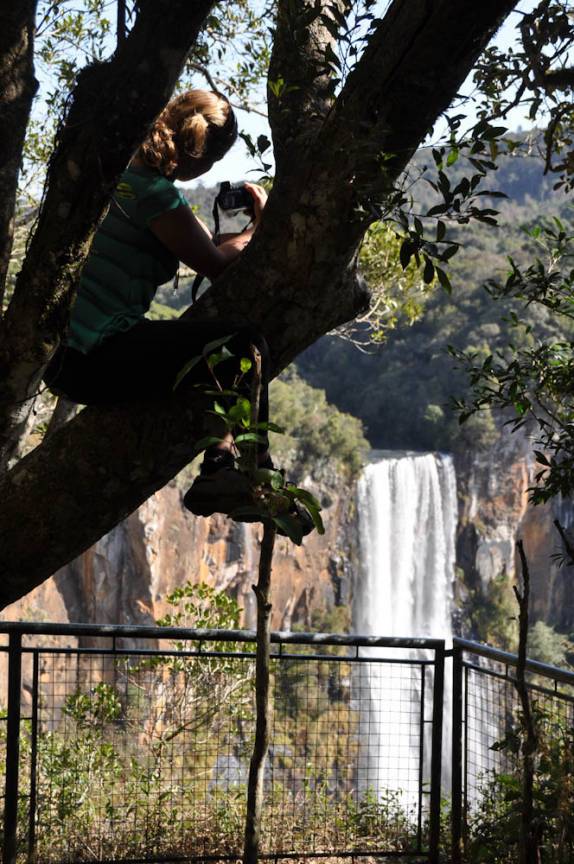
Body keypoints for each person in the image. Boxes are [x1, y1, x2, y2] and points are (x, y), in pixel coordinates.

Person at [44, 89, 292, 524]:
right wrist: (264, 226)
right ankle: (244, 470)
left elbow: (210, 245)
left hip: (61, 359)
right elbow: (217, 264)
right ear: (202, 157)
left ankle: (221, 463)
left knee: (205, 353)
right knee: (243, 343)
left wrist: (249, 233)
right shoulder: (157, 195)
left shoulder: (122, 177)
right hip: (97, 356)